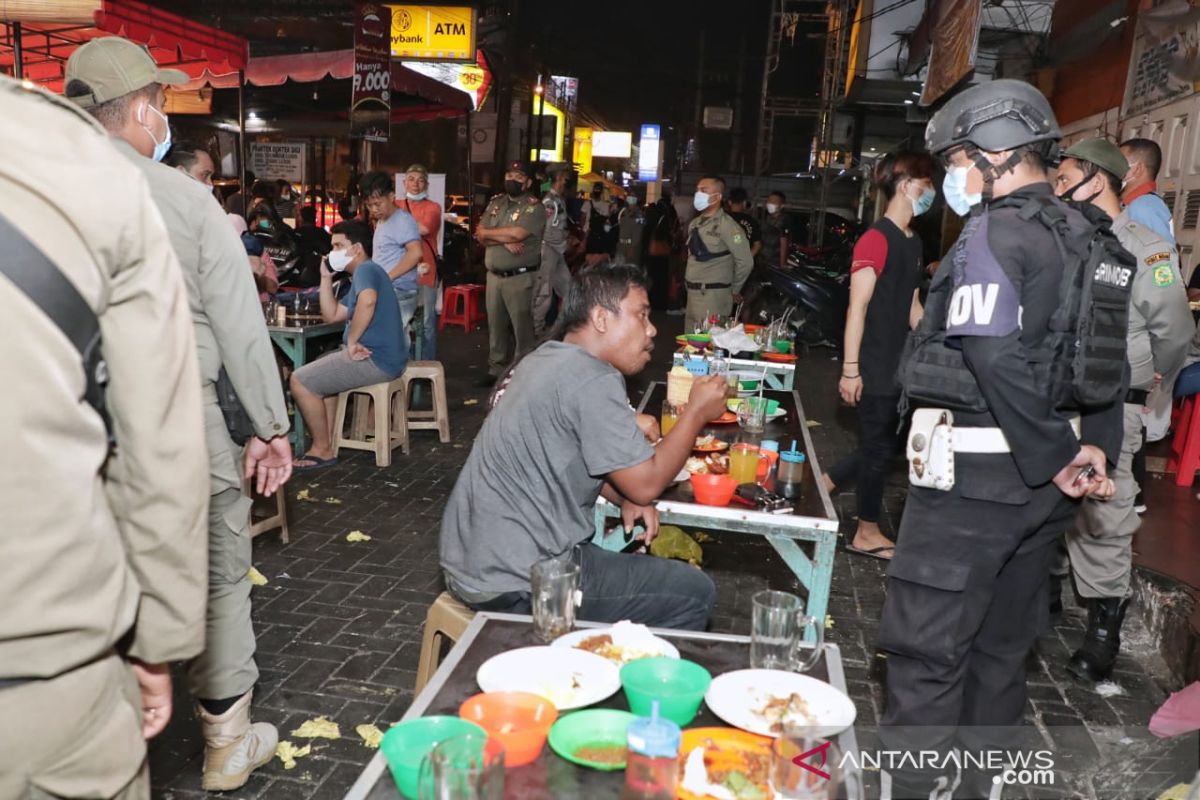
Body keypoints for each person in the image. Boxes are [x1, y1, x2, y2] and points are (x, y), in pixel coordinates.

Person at [879, 79, 1125, 798]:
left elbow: (990, 354)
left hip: (976, 482)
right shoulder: (1093, 236)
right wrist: (1091, 451)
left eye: (956, 159)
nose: (951, 177)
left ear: (995, 153)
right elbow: (1108, 366)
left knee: (927, 652)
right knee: (1001, 650)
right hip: (1048, 491)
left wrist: (1051, 458)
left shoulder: (995, 230)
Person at [65, 36, 295, 792]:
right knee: (222, 574)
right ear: (139, 109)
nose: (164, 116)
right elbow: (239, 325)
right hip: (176, 424)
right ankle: (226, 741)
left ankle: (96, 742)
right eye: (161, 103)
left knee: (91, 584)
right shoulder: (185, 199)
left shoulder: (39, 192)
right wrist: (270, 427)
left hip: (68, 433)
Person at [0, 74, 208, 800]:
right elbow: (160, 451)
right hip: (43, 669)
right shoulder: (74, 165)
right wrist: (160, 639)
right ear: (146, 108)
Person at [440, 264, 726, 629]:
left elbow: (580, 456)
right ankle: (628, 681)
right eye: (641, 315)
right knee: (692, 592)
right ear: (602, 319)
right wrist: (696, 413)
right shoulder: (593, 377)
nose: (652, 330)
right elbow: (648, 483)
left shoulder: (543, 358)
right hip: (517, 581)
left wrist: (626, 498)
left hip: (468, 561)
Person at [1054, 139, 1193, 682]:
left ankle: (1103, 633)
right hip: (1051, 400)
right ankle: (1041, 597)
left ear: (1097, 180)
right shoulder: (1061, 238)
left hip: (1114, 405)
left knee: (1104, 517)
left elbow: (1175, 331)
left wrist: (1156, 375)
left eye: (1066, 180)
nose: (1058, 189)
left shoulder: (1146, 248)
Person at [824, 152, 933, 561]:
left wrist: (936, 342)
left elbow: (912, 306)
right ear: (907, 186)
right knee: (876, 449)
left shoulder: (914, 240)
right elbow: (858, 308)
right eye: (927, 185)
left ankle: (825, 482)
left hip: (901, 365)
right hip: (873, 365)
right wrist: (851, 370)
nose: (932, 194)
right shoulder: (876, 239)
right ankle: (865, 531)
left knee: (885, 446)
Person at [291, 220, 408, 470]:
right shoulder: (363, 275)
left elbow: (368, 302)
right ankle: (328, 443)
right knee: (321, 372)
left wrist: (352, 341)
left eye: (338, 245)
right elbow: (332, 315)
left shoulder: (366, 270)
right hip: (386, 359)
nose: (332, 252)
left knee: (299, 381)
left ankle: (321, 449)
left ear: (356, 249)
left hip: (376, 359)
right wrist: (325, 278)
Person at [475, 161, 547, 386]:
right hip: (494, 276)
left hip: (520, 277)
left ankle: (522, 372)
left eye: (518, 176)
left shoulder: (534, 207)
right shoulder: (497, 202)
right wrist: (504, 242)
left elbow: (518, 233)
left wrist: (492, 236)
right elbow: (479, 232)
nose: (513, 180)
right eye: (510, 174)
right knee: (495, 325)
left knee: (522, 328)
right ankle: (496, 369)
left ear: (528, 182)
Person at [361, 170, 423, 353]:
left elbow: (415, 253)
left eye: (378, 204)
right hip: (386, 290)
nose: (374, 209)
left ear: (392, 196)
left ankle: (396, 372)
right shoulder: (381, 221)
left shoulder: (403, 220)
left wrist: (386, 278)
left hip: (400, 292)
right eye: (369, 205)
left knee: (389, 340)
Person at [684, 175, 754, 333]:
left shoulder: (728, 226)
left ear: (717, 197)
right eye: (697, 190)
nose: (698, 194)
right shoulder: (695, 223)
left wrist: (733, 289)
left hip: (713, 296)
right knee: (690, 345)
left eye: (704, 190)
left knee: (710, 345)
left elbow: (746, 262)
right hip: (692, 294)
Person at [400, 163, 444, 360]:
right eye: (411, 179)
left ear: (426, 184)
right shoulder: (396, 205)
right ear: (404, 183)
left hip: (426, 272)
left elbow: (425, 229)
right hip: (400, 272)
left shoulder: (433, 207)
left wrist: (396, 223)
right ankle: (404, 363)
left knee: (426, 322)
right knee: (401, 321)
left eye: (420, 180)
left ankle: (426, 364)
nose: (415, 184)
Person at [533, 161, 574, 336]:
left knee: (569, 289)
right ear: (558, 178)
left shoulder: (558, 200)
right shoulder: (550, 202)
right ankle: (536, 329)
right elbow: (547, 231)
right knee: (544, 293)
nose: (567, 182)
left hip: (557, 252)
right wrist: (565, 244)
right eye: (565, 178)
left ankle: (563, 327)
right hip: (549, 251)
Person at [1119, 138, 1175, 245]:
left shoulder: (1142, 207)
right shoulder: (1135, 204)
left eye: (1118, 164)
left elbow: (1162, 257)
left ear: (1138, 169)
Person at [642, 193, 678, 311]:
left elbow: (646, 232)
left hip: (651, 252)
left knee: (652, 278)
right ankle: (660, 304)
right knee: (662, 279)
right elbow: (666, 234)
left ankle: (650, 302)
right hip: (662, 254)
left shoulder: (651, 213)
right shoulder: (666, 215)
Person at [760, 190, 796, 268]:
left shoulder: (784, 220)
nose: (770, 203)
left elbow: (784, 241)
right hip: (763, 259)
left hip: (775, 261)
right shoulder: (767, 218)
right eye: (769, 201)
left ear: (782, 205)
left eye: (774, 202)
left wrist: (782, 263)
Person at [725, 187, 762, 261]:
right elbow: (757, 245)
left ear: (729, 202)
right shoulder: (752, 221)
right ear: (744, 203)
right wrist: (745, 261)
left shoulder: (721, 218)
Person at [582, 183, 614, 265]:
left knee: (589, 259)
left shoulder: (587, 203)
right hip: (598, 236)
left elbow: (582, 219)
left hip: (589, 235)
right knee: (598, 259)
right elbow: (608, 222)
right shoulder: (606, 205)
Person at [617, 192, 646, 265]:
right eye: (629, 198)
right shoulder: (623, 213)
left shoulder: (639, 215)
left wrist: (632, 247)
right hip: (621, 246)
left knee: (630, 270)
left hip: (632, 248)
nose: (630, 201)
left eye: (633, 199)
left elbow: (638, 233)